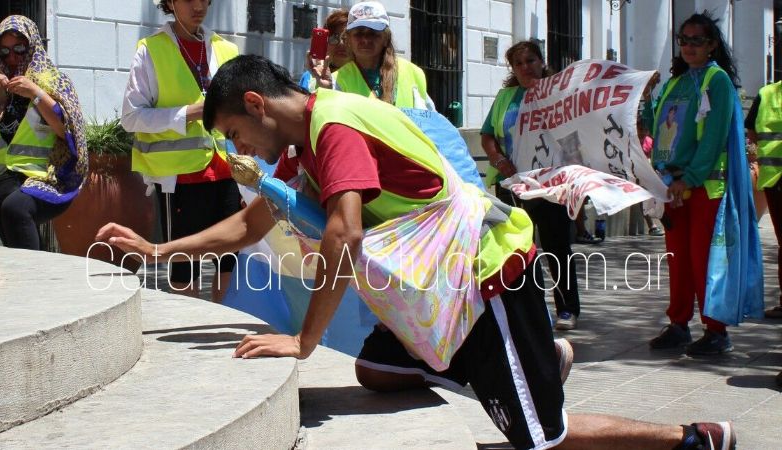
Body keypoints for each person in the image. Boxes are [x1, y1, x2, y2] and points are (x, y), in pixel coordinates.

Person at [98, 54, 737, 450]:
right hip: (442, 295)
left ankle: (689, 438)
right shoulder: (304, 145)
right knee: (376, 371)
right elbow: (247, 226)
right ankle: (533, 359)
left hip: (488, 283)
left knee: (544, 438)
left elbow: (343, 235)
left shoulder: (334, 128)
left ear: (258, 104)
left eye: (237, 132)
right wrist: (157, 248)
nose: (245, 149)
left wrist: (303, 343)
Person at [121, 0, 242, 302]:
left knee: (230, 258)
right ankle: (187, 329)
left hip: (228, 171)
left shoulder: (227, 50)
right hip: (181, 179)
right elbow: (131, 117)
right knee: (184, 264)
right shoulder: (150, 50)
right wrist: (188, 113)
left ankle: (221, 328)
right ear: (171, 3)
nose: (198, 6)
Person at [645, 12, 741, 355]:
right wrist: (644, 98)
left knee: (704, 260)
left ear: (712, 45)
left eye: (696, 40)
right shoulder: (676, 82)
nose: (688, 46)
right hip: (671, 186)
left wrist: (690, 178)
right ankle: (679, 324)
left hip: (702, 188)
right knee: (678, 259)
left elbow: (714, 137)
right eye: (683, 40)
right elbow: (654, 129)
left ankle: (716, 331)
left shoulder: (717, 81)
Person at [479, 41, 582, 331]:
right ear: (513, 69)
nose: (526, 67)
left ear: (541, 62)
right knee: (516, 247)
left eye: (531, 60)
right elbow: (488, 135)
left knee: (556, 246)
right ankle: (528, 309)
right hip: (511, 182)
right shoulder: (505, 98)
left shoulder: (558, 96)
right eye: (519, 63)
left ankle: (567, 309)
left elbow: (571, 136)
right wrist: (498, 160)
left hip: (549, 184)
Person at [0, 15, 86, 250]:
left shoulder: (54, 81)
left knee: (15, 209)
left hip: (39, 179)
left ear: (32, 47)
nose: (12, 57)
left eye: (19, 48)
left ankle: (34, 278)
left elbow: (67, 131)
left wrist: (36, 94)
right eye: (4, 51)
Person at [312, 1, 434, 110]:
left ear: (386, 38)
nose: (365, 39)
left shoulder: (412, 73)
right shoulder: (335, 80)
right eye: (359, 33)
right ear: (348, 39)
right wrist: (325, 91)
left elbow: (431, 123)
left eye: (373, 33)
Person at [745, 81, 782, 320]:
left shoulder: (766, 93)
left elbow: (752, 134)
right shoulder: (766, 94)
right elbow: (751, 132)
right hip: (775, 181)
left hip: (775, 180)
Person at [299, 9, 350, 92]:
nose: (341, 43)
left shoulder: (364, 78)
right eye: (333, 37)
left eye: (346, 38)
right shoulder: (309, 77)